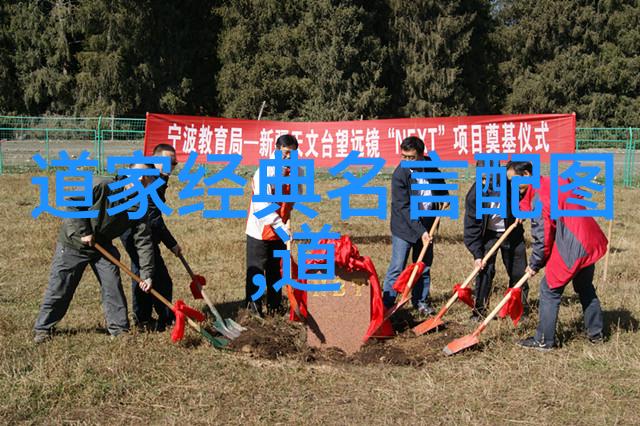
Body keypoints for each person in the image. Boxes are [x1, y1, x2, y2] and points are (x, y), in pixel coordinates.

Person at [34, 164, 156, 343]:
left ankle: (119, 330)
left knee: (112, 286)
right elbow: (73, 202)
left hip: (102, 245)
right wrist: (84, 232)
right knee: (61, 286)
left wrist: (146, 274)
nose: (140, 179)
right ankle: (43, 328)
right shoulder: (102, 185)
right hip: (74, 243)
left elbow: (143, 241)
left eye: (146, 176)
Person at [507, 161, 608, 351]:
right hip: (589, 237)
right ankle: (596, 335)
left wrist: (535, 263)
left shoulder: (540, 199)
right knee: (585, 287)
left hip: (572, 243)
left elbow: (544, 238)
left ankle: (544, 340)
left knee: (549, 289)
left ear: (527, 175)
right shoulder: (553, 181)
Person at [382, 136, 448, 316]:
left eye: (411, 157)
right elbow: (403, 208)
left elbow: (440, 184)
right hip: (405, 226)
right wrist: (421, 232)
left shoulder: (430, 165)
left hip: (427, 223)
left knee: (423, 266)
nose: (406, 161)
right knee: (397, 266)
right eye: (403, 156)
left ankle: (421, 301)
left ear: (421, 155)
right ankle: (387, 304)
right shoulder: (400, 175)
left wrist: (444, 197)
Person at [121, 144, 181, 330]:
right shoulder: (148, 179)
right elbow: (154, 219)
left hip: (144, 231)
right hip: (135, 232)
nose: (171, 166)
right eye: (168, 162)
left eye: (174, 163)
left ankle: (149, 318)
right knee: (150, 276)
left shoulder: (158, 178)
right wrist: (172, 244)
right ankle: (148, 319)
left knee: (147, 274)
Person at [463, 161, 529, 321]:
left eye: (490, 178)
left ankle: (519, 310)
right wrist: (478, 255)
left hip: (512, 233)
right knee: (484, 271)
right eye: (483, 179)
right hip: (489, 236)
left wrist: (523, 209)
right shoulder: (474, 196)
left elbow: (528, 193)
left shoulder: (510, 183)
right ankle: (479, 311)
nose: (486, 184)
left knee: (519, 273)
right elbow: (471, 229)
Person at [245, 134, 297, 316]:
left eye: (292, 154)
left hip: (280, 229)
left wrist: (286, 223)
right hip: (260, 229)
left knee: (276, 269)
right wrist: (281, 227)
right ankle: (254, 309)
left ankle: (275, 307)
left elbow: (294, 198)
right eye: (285, 153)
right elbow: (262, 206)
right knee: (257, 270)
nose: (288, 158)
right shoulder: (264, 173)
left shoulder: (294, 173)